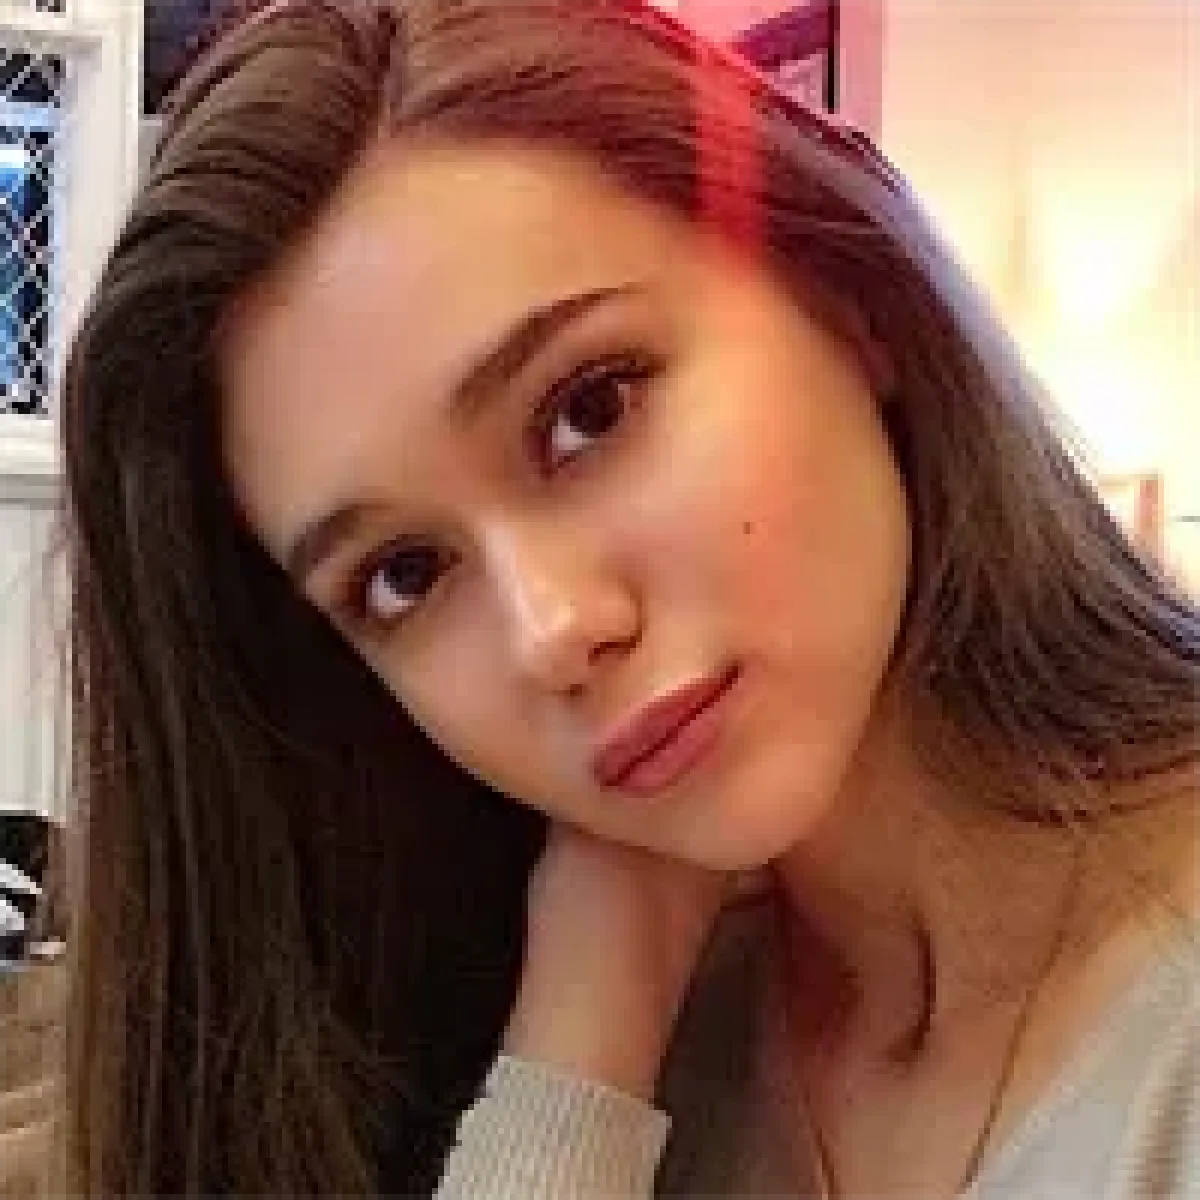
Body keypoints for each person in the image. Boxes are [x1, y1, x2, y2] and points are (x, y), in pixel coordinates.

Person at [58, 0, 1200, 1197]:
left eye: (589, 408)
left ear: (846, 298)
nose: (552, 629)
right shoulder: (609, 1052)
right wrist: (581, 1035)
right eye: (406, 575)